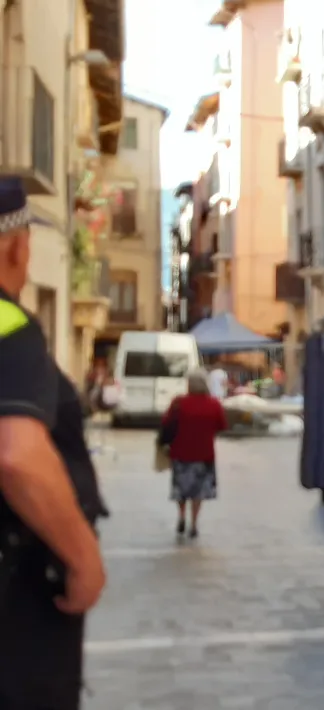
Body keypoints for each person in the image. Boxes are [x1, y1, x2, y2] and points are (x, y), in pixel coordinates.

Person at [0, 178, 108, 709]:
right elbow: (16, 455)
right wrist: (82, 556)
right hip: (18, 599)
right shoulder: (7, 323)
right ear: (16, 247)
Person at [162, 370, 228, 539]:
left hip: (180, 452)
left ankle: (182, 516)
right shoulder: (214, 404)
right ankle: (194, 523)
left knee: (181, 489)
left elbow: (166, 422)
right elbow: (222, 426)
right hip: (204, 454)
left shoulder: (178, 403)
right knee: (198, 491)